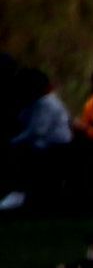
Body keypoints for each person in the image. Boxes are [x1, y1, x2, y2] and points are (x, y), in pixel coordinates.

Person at [0, 70, 71, 212]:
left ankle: (19, 193)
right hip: (45, 144)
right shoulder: (37, 102)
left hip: (56, 147)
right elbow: (23, 119)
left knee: (22, 154)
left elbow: (37, 131)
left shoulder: (47, 103)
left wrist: (13, 142)